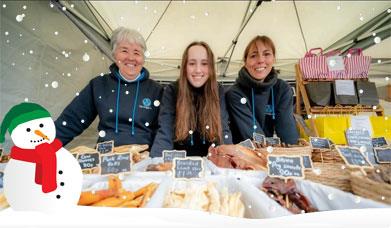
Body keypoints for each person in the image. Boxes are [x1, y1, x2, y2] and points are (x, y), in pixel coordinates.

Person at [55, 27, 163, 147]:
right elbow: (72, 119)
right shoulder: (99, 85)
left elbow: (165, 130)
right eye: (124, 51)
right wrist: (47, 146)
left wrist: (155, 157)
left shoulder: (157, 90)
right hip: (107, 154)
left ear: (143, 59)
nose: (131, 58)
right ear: (114, 55)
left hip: (143, 157)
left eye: (137, 53)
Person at [151, 41, 232, 157]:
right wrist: (155, 163)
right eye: (192, 63)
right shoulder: (172, 91)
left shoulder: (218, 91)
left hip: (209, 164)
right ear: (184, 67)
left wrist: (229, 158)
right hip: (179, 165)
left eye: (204, 63)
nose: (198, 70)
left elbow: (223, 131)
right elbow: (165, 132)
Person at [226, 35, 299, 144]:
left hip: (269, 154)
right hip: (243, 155)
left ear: (274, 58)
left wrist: (293, 153)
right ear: (245, 62)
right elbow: (255, 139)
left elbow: (288, 133)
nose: (260, 60)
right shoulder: (235, 93)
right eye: (253, 55)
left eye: (266, 54)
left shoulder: (282, 89)